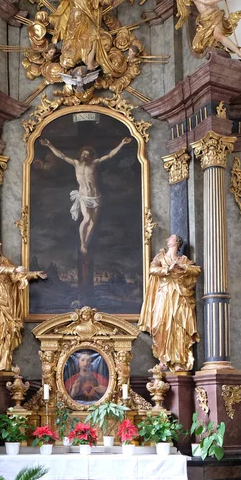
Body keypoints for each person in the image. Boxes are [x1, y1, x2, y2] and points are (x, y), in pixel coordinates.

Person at [40, 137, 132, 254]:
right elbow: (61, 155)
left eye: (87, 154)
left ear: (90, 157)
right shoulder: (76, 163)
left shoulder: (94, 163)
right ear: (80, 155)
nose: (85, 155)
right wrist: (49, 145)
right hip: (84, 196)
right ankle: (82, 242)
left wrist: (122, 144)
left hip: (96, 196)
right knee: (87, 218)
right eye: (83, 153)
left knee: (93, 222)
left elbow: (109, 155)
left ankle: (85, 244)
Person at [0, 236, 46, 372]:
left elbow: (16, 276)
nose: (0, 244)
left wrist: (34, 274)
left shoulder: (4, 260)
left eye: (0, 242)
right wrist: (14, 270)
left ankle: (2, 362)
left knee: (6, 329)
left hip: (6, 298)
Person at [138, 234, 201, 372]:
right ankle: (163, 360)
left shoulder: (183, 259)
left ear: (177, 242)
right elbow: (152, 269)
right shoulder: (161, 257)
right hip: (163, 295)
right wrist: (168, 270)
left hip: (179, 296)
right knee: (161, 324)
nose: (168, 240)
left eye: (171, 238)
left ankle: (178, 360)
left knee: (177, 326)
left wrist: (182, 266)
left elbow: (196, 270)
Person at [42, 0, 114, 71]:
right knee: (69, 50)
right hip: (73, 26)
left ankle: (89, 63)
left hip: (87, 22)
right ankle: (69, 59)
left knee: (94, 35)